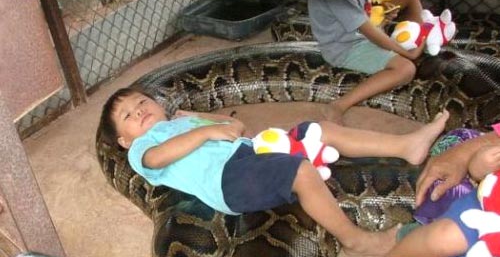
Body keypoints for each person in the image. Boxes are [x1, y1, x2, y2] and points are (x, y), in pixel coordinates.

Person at [98, 87, 449, 257]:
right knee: (301, 172)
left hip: (248, 154)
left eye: (143, 102)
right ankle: (355, 238)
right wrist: (201, 132)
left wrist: (195, 119)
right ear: (125, 141)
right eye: (128, 116)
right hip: (228, 180)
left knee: (317, 129)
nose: (140, 111)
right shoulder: (142, 149)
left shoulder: (178, 124)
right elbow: (159, 158)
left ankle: (406, 146)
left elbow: (235, 125)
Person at [308, 0, 426, 124]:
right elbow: (369, 32)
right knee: (406, 69)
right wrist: (404, 53)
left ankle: (416, 36)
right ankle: (339, 106)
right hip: (345, 47)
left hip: (361, 25)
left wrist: (381, 11)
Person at [386, 125, 500, 257]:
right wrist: (480, 163)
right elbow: (478, 169)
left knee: (445, 238)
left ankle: (410, 234)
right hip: (490, 202)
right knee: (442, 237)